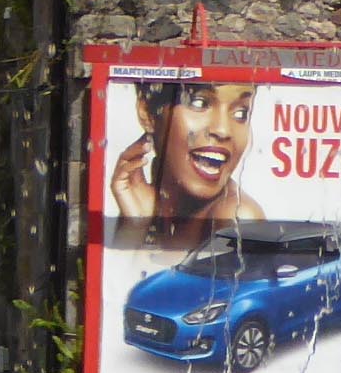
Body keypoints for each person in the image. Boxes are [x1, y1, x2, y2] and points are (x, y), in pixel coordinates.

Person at [107, 81, 264, 250]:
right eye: (199, 103)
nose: (223, 130)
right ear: (147, 113)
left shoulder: (236, 217)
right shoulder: (154, 207)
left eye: (241, 113)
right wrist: (134, 227)